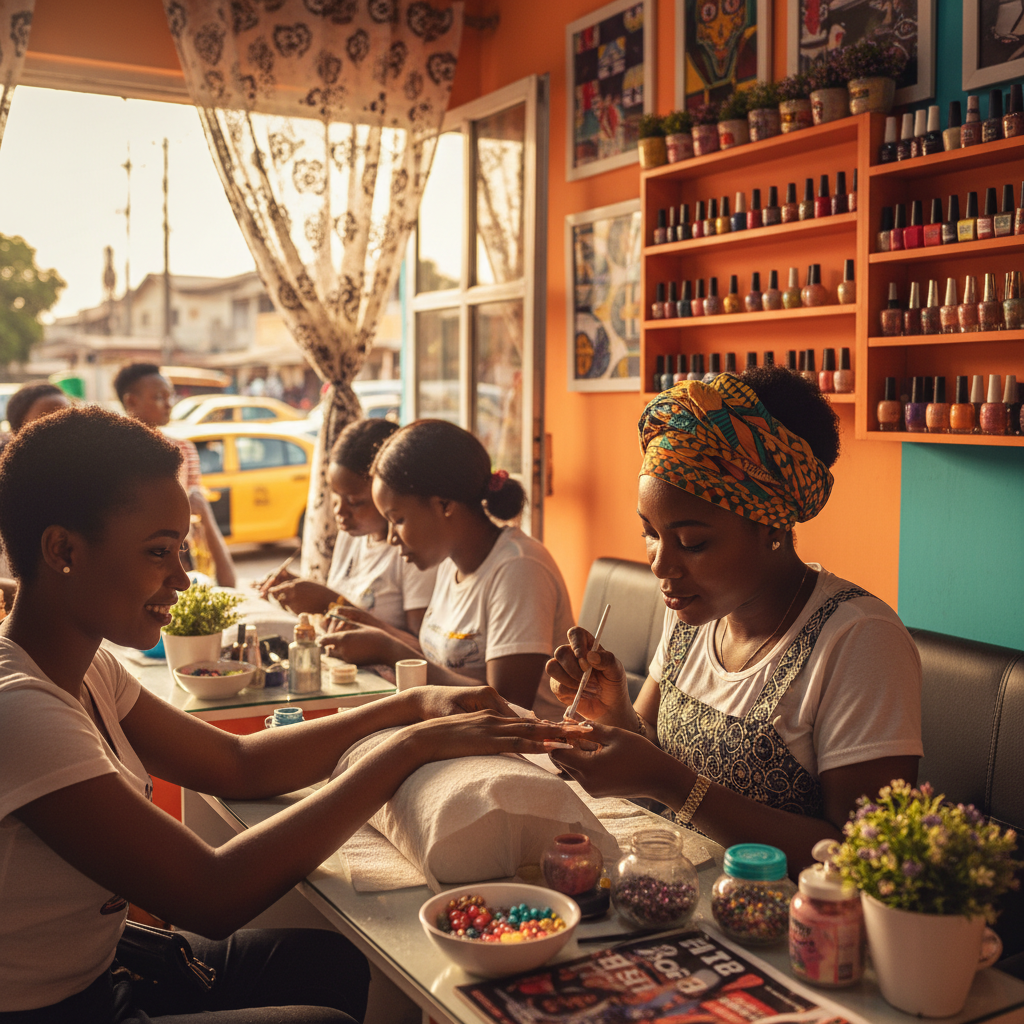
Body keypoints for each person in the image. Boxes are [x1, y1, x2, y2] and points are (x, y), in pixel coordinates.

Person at [0, 406, 587, 1022]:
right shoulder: (21, 710)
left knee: (328, 963)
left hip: (108, 970)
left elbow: (238, 763)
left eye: (181, 550)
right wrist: (410, 746)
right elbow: (211, 892)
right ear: (62, 549)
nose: (181, 578)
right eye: (157, 553)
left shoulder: (88, 667)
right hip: (56, 1009)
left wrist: (409, 705)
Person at [545, 368, 923, 872]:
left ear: (771, 525)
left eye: (693, 542)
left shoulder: (859, 641)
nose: (660, 565)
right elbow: (650, 749)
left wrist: (669, 784)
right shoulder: (693, 612)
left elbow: (862, 861)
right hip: (675, 893)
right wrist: (612, 715)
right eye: (651, 533)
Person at [321, 420, 574, 719]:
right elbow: (444, 663)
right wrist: (377, 632)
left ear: (444, 505)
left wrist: (390, 651)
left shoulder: (519, 569)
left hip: (536, 757)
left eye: (397, 520)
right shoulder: (449, 563)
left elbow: (507, 710)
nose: (391, 538)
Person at [260, 419, 436, 641]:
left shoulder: (416, 552)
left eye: (355, 501)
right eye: (335, 494)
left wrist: (328, 601)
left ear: (387, 490)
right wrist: (301, 591)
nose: (339, 510)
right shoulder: (352, 534)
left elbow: (423, 654)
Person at [113, 363, 237, 589]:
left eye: (170, 396)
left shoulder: (184, 449)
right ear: (131, 401)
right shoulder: (114, 453)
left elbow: (195, 509)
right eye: (159, 397)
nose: (169, 404)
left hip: (179, 553)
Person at [0, 383, 73, 609]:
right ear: (18, 432)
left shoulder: (84, 485)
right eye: (47, 420)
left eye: (69, 419)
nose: (62, 429)